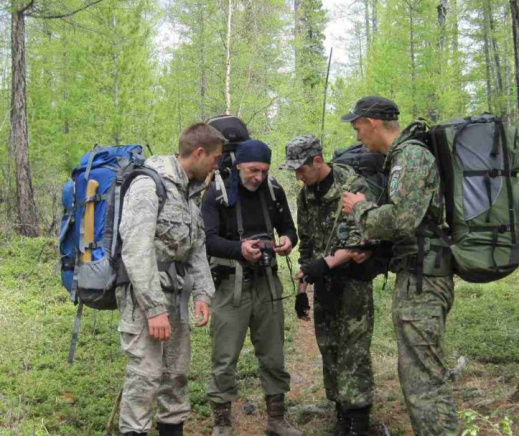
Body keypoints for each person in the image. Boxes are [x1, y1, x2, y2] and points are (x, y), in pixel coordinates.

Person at [340, 96, 459, 435]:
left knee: (425, 382)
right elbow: (414, 222)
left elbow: (403, 220)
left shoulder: (411, 157)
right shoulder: (402, 158)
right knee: (419, 376)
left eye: (357, 125)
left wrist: (360, 209)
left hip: (424, 280)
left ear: (373, 123)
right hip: (417, 274)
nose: (357, 134)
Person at [117, 123, 223, 436]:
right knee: (145, 374)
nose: (217, 165)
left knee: (176, 373)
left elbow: (196, 245)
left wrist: (203, 293)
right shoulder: (150, 183)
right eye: (215, 158)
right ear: (199, 152)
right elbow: (135, 250)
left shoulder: (189, 191)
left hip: (176, 296)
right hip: (144, 298)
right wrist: (153, 309)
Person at [281, 134, 380, 436]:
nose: (298, 176)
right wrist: (302, 290)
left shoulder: (352, 187)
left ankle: (359, 416)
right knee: (329, 346)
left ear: (318, 161)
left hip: (353, 280)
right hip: (324, 284)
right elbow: (308, 244)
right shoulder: (305, 195)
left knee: (354, 348)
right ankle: (341, 412)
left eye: (301, 169)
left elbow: (362, 239)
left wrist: (327, 263)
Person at [202, 139, 301, 436]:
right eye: (253, 170)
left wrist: (287, 240)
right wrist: (239, 249)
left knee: (273, 354)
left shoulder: (273, 191)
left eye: (264, 170)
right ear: (239, 164)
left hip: (267, 283)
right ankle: (222, 423)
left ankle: (276, 419)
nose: (258, 177)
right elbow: (207, 239)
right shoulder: (217, 193)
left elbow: (289, 227)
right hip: (230, 285)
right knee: (224, 357)